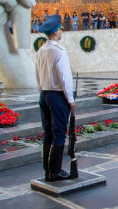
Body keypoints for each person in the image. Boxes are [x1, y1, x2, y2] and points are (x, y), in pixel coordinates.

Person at [36, 15, 76, 182]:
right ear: (56, 32)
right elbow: (65, 78)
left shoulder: (41, 50)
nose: (61, 32)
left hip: (44, 94)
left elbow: (37, 74)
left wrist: (42, 91)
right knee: (59, 132)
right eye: (60, 29)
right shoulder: (59, 51)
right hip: (57, 95)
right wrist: (71, 100)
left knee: (48, 133)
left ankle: (47, 169)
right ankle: (55, 171)